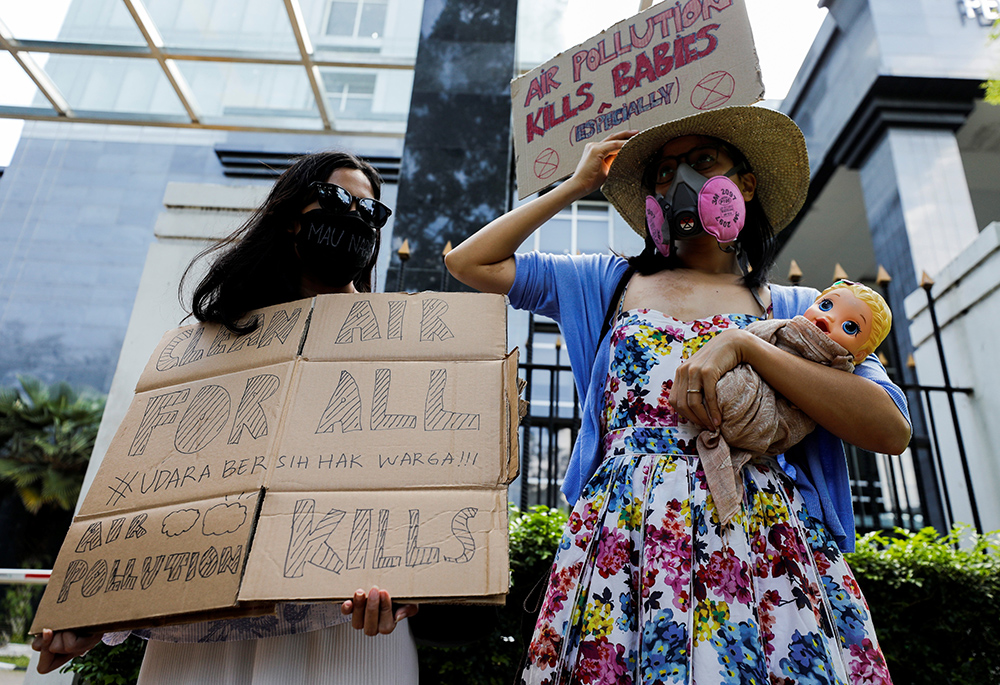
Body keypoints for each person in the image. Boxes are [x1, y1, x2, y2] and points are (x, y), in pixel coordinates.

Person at [446, 106, 910, 684]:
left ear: (745, 183)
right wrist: (576, 185)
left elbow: (890, 429)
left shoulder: (800, 311)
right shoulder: (604, 281)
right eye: (663, 172)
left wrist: (747, 346)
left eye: (702, 162)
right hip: (626, 538)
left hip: (761, 546)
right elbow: (468, 261)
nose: (679, 182)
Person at [32, 150, 419, 684]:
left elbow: (418, 482)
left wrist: (418, 585)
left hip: (341, 636)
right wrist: (92, 615)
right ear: (289, 216)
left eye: (368, 212)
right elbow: (153, 491)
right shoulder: (205, 349)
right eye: (336, 200)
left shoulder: (405, 345)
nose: (353, 216)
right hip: (202, 643)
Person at [698, 279, 893, 526]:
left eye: (850, 326)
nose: (829, 318)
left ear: (862, 355)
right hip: (728, 404)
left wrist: (749, 349)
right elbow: (760, 333)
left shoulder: (840, 370)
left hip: (769, 457)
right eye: (825, 305)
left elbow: (892, 430)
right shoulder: (785, 327)